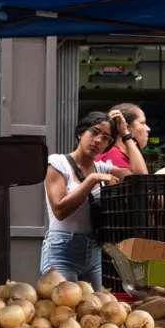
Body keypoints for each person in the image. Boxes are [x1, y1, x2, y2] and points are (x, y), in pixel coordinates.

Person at [41, 112, 124, 289]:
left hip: (93, 252)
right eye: (94, 132)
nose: (98, 140)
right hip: (62, 251)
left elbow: (139, 175)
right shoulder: (57, 163)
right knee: (64, 311)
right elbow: (60, 210)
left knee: (94, 312)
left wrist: (127, 135)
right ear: (81, 133)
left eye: (106, 138)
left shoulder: (103, 167)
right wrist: (91, 180)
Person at [98, 102, 165, 175]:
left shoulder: (123, 155)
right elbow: (135, 189)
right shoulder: (113, 155)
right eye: (142, 123)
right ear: (126, 128)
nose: (148, 129)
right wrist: (160, 175)